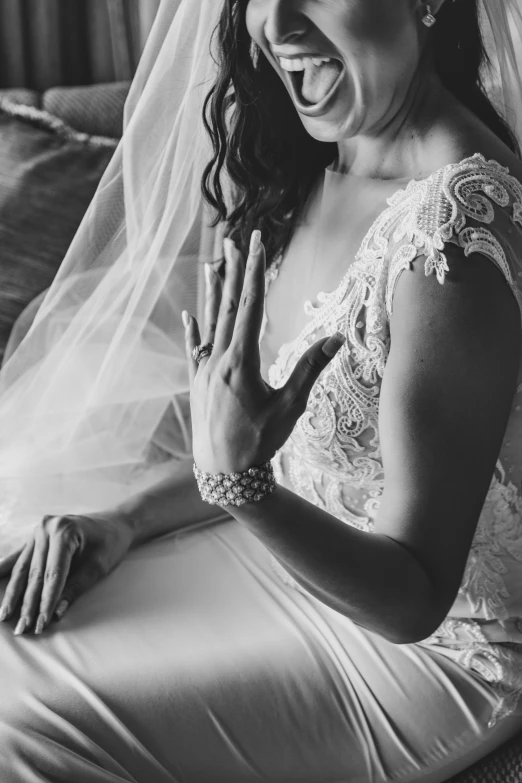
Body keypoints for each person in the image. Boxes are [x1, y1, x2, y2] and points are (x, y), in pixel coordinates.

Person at [0, 0, 522, 780]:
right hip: (286, 552)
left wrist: (244, 488)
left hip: (430, 653)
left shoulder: (451, 238)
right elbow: (276, 449)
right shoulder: (327, 162)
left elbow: (414, 595)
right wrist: (122, 521)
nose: (276, 25)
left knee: (21, 722)